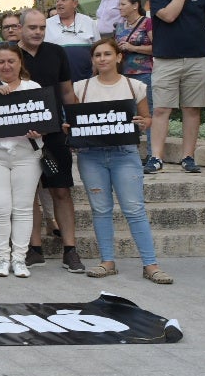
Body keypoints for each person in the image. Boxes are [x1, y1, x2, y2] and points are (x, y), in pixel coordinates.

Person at [71, 38, 166, 283]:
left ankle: (151, 264)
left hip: (125, 153)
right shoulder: (80, 88)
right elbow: (74, 121)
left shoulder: (135, 86)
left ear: (118, 57)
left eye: (107, 54)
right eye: (97, 55)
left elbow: (147, 118)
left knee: (134, 209)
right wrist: (68, 127)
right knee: (100, 209)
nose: (102, 59)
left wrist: (143, 123)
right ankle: (107, 261)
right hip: (91, 155)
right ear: (93, 60)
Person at [17, 9, 80, 270]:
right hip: (20, 136)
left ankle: (70, 249)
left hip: (54, 136)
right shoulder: (9, 55)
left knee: (61, 190)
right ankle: (34, 248)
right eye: (32, 27)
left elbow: (67, 91)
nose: (38, 32)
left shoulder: (56, 52)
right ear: (20, 28)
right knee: (28, 193)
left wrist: (75, 125)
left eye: (42, 27)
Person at [147, 0, 205, 174]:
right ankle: (156, 158)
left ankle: (188, 157)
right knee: (161, 109)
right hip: (166, 61)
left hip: (197, 61)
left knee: (192, 109)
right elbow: (169, 16)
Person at [0, 43, 45, 277]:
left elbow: (43, 120)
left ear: (20, 63)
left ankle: (19, 259)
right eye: (1, 62)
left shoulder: (33, 87)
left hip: (26, 155)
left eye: (11, 61)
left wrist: (39, 131)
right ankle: (2, 258)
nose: (6, 66)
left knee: (23, 208)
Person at [50, 0, 99, 80]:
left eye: (63, 0)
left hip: (86, 80)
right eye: (57, 1)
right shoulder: (46, 24)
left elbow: (98, 50)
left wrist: (95, 71)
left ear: (75, 3)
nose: (59, 3)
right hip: (56, 81)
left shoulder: (89, 22)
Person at [114, 0, 153, 105]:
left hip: (143, 73)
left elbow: (158, 48)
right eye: (119, 5)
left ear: (135, 5)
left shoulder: (147, 22)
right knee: (128, 110)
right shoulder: (119, 27)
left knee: (147, 108)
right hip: (123, 74)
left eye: (123, 4)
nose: (119, 8)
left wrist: (133, 48)